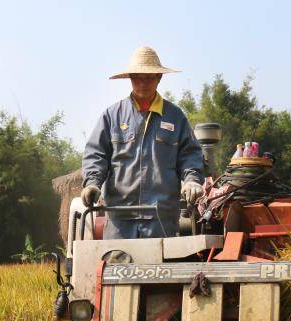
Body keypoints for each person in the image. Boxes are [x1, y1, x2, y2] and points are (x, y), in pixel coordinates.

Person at [81, 46, 204, 239]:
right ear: (130, 78)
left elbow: (190, 155)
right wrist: (92, 183)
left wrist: (192, 180)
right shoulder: (112, 116)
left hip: (161, 218)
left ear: (159, 78)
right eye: (137, 77)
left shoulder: (175, 116)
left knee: (162, 270)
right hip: (119, 219)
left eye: (149, 77)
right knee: (115, 268)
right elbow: (96, 154)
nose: (142, 83)